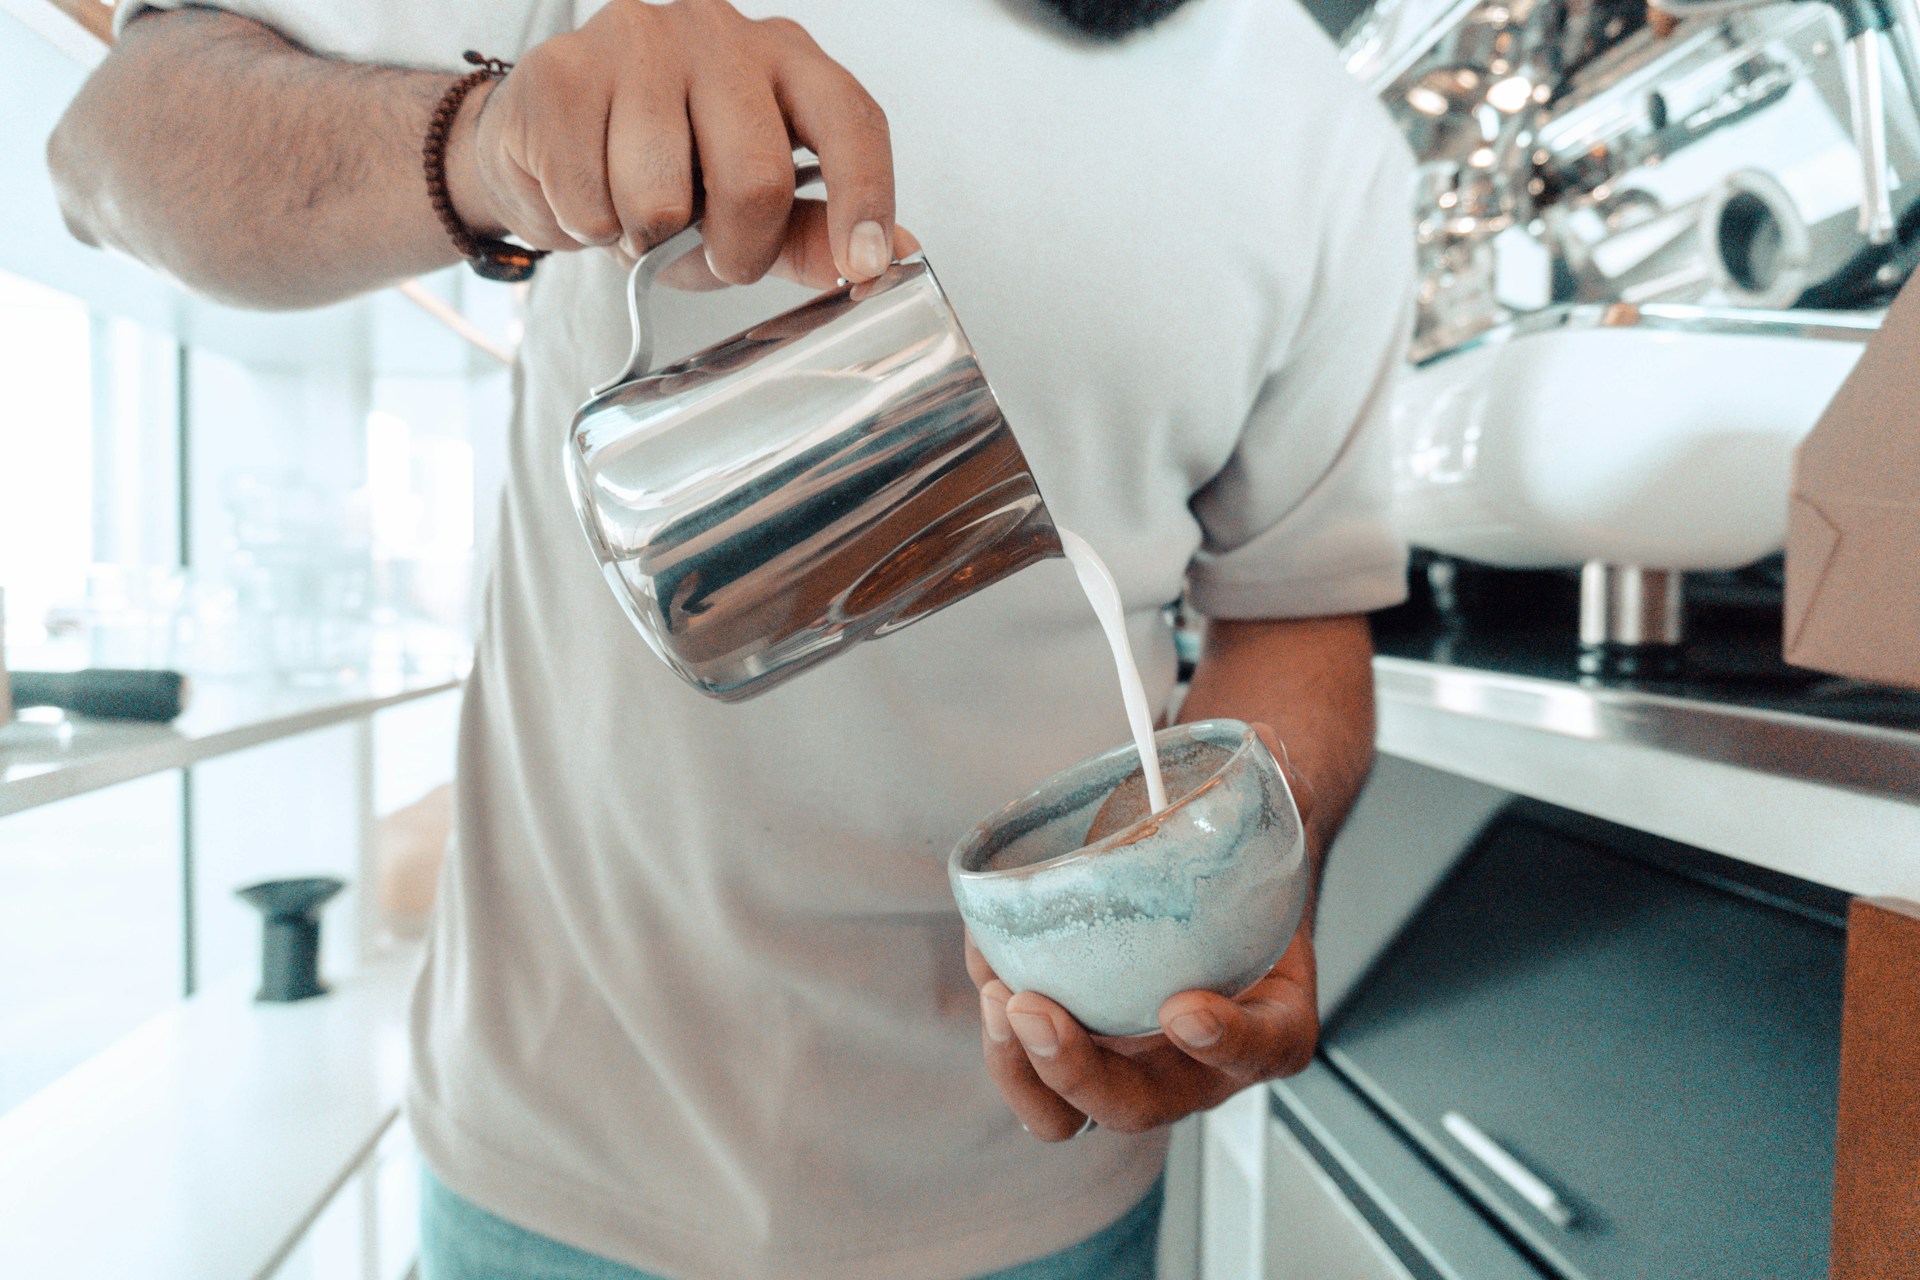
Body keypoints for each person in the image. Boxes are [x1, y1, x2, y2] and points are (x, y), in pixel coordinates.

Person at [49, 1, 1416, 1277]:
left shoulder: (1329, 139)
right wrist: (492, 143)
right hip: (555, 1165)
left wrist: (1235, 885)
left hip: (1045, 1193)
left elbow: (1296, 615)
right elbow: (108, 150)